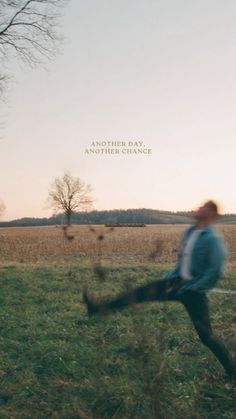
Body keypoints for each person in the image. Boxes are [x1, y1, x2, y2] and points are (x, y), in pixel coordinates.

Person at [83, 200, 236, 378]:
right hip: (176, 283)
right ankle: (97, 308)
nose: (198, 209)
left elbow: (215, 270)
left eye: (203, 208)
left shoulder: (212, 238)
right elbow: (182, 262)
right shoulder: (189, 232)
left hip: (194, 292)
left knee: (206, 335)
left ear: (210, 214)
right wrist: (168, 279)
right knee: (139, 293)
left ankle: (232, 370)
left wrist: (196, 287)